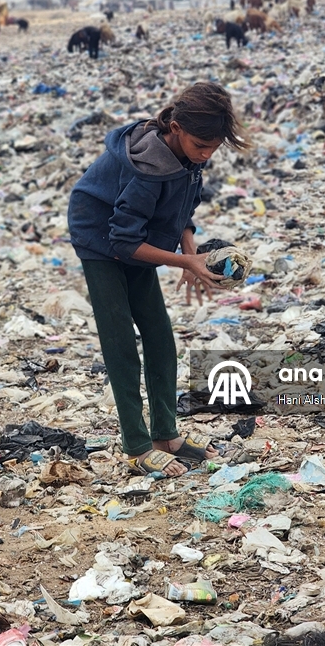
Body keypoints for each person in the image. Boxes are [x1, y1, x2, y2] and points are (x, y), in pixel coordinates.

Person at [67, 83, 249, 477]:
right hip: (99, 237)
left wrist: (190, 254)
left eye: (214, 148)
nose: (206, 154)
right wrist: (185, 261)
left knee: (161, 336)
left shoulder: (189, 156)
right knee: (120, 343)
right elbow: (123, 241)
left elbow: (181, 210)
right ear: (177, 128)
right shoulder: (148, 170)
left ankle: (166, 435)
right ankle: (136, 446)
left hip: (137, 237)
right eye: (201, 145)